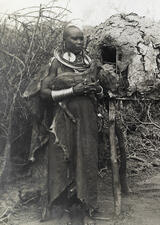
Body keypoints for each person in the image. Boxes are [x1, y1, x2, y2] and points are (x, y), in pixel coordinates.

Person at [40, 25, 102, 225]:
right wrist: (73, 91)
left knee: (85, 157)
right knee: (59, 158)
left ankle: (80, 206)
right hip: (63, 118)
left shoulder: (90, 63)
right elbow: (43, 92)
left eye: (81, 39)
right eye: (74, 39)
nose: (79, 42)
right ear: (64, 40)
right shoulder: (55, 63)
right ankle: (58, 205)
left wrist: (97, 89)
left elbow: (101, 91)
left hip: (87, 119)